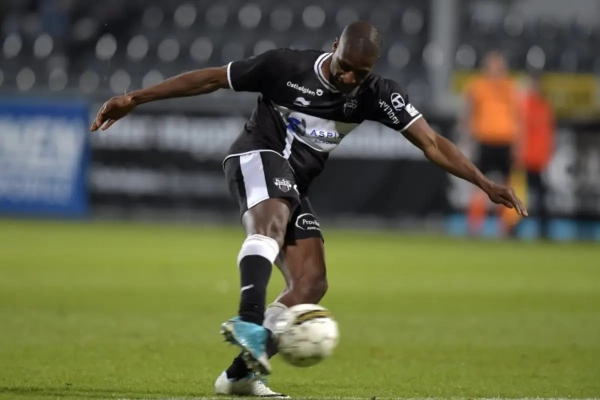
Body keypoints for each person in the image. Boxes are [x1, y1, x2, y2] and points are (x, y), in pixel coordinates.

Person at [91, 21, 527, 398]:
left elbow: (432, 143)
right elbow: (211, 79)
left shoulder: (377, 94)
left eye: (360, 72)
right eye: (344, 65)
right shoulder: (286, 66)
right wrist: (136, 98)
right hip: (255, 155)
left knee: (311, 282)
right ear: (334, 46)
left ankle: (240, 376)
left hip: (291, 184)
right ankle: (248, 320)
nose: (349, 77)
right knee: (271, 222)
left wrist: (485, 183)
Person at [462, 51, 524, 237]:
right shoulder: (477, 87)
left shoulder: (512, 87)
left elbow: (519, 118)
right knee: (479, 184)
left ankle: (506, 228)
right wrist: (469, 138)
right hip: (484, 141)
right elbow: (469, 113)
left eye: (499, 66)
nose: (496, 70)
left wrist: (519, 145)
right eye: (492, 66)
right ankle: (474, 226)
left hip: (506, 142)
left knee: (507, 186)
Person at [517, 71, 555, 239]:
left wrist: (548, 156)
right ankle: (513, 227)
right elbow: (519, 132)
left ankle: (540, 229)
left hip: (540, 160)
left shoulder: (544, 106)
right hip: (525, 159)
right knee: (526, 196)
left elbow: (548, 134)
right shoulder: (524, 105)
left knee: (538, 196)